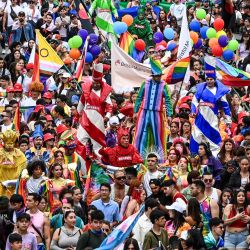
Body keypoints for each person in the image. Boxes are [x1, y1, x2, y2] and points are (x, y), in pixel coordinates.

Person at [190, 57, 231, 157]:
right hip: (200, 119)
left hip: (212, 119)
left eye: (211, 79)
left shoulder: (220, 91)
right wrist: (193, 111)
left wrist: (228, 120)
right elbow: (194, 101)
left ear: (214, 79)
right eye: (207, 79)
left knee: (213, 140)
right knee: (196, 137)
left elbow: (226, 106)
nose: (209, 81)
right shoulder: (201, 89)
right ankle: (194, 157)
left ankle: (214, 161)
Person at [134, 58, 173, 161]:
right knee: (140, 133)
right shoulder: (145, 83)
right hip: (144, 111)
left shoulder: (164, 85)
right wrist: (135, 111)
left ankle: (161, 160)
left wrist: (169, 114)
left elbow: (168, 101)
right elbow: (139, 97)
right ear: (153, 76)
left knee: (158, 135)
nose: (159, 77)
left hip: (157, 113)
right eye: (157, 76)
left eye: (160, 75)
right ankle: (137, 157)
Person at [77, 63, 113, 155]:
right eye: (94, 82)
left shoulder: (105, 93)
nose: (96, 84)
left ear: (100, 83)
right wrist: (77, 116)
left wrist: (107, 117)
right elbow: (80, 106)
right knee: (80, 142)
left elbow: (109, 106)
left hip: (98, 122)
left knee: (98, 145)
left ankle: (100, 166)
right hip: (85, 121)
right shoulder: (86, 90)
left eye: (98, 83)